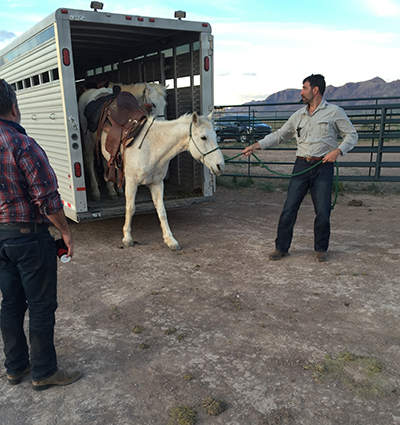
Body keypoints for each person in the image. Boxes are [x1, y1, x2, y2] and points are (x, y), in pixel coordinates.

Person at [0, 79, 83, 390]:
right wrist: (65, 231)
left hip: (0, 237)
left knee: (10, 303)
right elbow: (47, 198)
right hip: (29, 237)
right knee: (41, 305)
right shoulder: (22, 144)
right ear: (14, 107)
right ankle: (44, 370)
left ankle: (16, 367)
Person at [243, 74, 358, 262]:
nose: (301, 92)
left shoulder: (334, 112)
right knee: (289, 208)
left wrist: (337, 151)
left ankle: (321, 249)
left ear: (315, 90)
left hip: (323, 166)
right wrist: (256, 146)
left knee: (322, 211)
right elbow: (280, 135)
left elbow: (351, 135)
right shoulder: (298, 115)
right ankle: (281, 248)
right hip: (301, 166)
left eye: (304, 88)